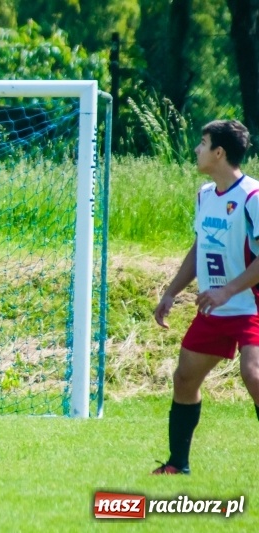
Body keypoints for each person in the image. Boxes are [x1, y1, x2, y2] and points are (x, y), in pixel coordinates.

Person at [152, 119, 259, 475]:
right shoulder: (204, 195)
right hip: (216, 307)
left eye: (203, 142)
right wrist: (170, 292)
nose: (197, 149)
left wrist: (228, 290)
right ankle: (177, 465)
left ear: (219, 152)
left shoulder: (253, 197)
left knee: (254, 374)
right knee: (185, 378)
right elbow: (200, 249)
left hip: (250, 306)